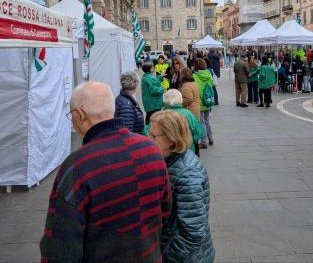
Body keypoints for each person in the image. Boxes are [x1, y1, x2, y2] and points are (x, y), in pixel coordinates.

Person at [40, 81, 171, 263]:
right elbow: (165, 211)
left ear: (79, 115)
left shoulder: (77, 166)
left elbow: (60, 247)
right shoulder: (151, 150)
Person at [149, 110, 215, 263]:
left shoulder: (188, 174)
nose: (149, 140)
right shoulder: (169, 160)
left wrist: (166, 256)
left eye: (154, 136)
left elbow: (193, 232)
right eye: (149, 134)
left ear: (172, 138)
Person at [163, 89, 204, 157]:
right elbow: (198, 132)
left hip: (167, 153)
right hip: (187, 150)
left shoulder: (160, 115)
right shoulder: (188, 114)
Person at [193, 58, 214, 149]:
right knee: (207, 120)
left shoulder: (195, 75)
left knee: (201, 121)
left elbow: (195, 88)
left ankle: (204, 141)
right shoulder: (208, 73)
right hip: (208, 99)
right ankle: (210, 138)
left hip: (200, 100)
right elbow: (212, 85)